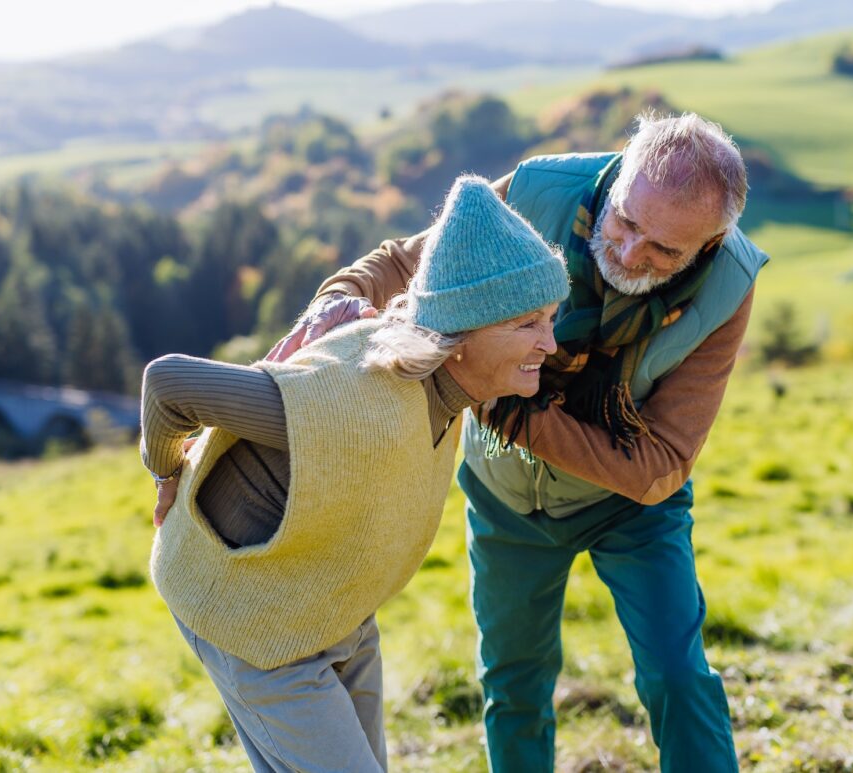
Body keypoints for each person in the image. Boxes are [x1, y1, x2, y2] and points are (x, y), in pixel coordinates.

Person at [274, 112, 768, 772]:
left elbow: (660, 468)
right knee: (514, 685)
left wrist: (512, 411)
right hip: (507, 498)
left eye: (664, 251)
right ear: (619, 174)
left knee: (678, 677)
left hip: (632, 509)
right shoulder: (537, 191)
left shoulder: (730, 282)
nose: (629, 254)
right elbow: (405, 260)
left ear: (706, 246)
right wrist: (334, 302)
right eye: (626, 223)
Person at [139, 175, 569, 772]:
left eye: (550, 318)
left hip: (335, 611)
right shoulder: (348, 403)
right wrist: (167, 472)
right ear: (461, 337)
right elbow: (169, 384)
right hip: (253, 624)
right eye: (527, 324)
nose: (550, 342)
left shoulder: (448, 396)